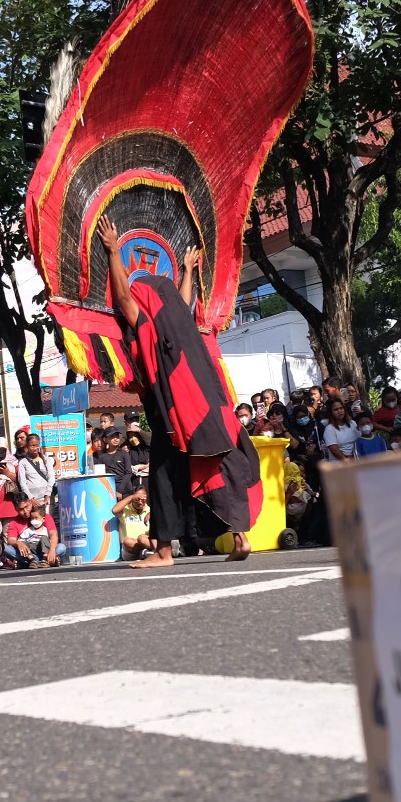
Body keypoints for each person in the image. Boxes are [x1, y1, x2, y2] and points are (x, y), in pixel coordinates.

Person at [101, 216, 262, 566]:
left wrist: (114, 250)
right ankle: (240, 537)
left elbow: (124, 296)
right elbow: (182, 303)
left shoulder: (145, 320)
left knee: (163, 475)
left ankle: (162, 553)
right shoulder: (179, 323)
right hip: (205, 405)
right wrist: (187, 271)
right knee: (212, 462)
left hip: (171, 409)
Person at [7, 501, 59, 568]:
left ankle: (29, 562)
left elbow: (53, 535)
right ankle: (41, 561)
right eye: (21, 509)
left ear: (30, 503)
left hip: (45, 550)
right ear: (16, 509)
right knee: (7, 549)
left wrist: (52, 550)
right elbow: (11, 540)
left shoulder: (41, 514)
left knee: (61, 547)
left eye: (26, 507)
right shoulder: (15, 523)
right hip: (29, 552)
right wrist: (18, 543)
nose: (25, 511)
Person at [114, 488, 154, 561]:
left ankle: (150, 552)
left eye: (142, 499)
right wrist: (132, 497)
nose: (140, 502)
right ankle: (147, 553)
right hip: (131, 550)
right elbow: (114, 510)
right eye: (137, 499)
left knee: (142, 538)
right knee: (127, 542)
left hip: (147, 544)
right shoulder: (125, 510)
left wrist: (152, 513)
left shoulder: (151, 510)